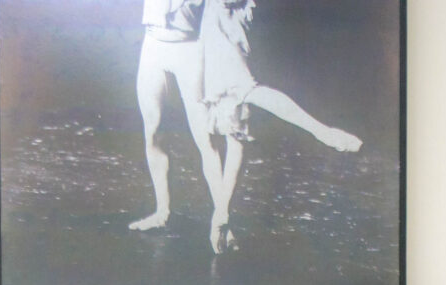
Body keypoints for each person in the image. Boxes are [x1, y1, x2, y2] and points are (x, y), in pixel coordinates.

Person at [198, 0, 363, 254]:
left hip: (220, 16)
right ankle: (222, 213)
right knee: (234, 125)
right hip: (213, 22)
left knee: (243, 95)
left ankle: (320, 130)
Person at [129, 0, 223, 234]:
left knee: (206, 136)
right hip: (153, 44)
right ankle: (163, 212)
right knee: (153, 131)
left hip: (190, 47)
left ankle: (224, 218)